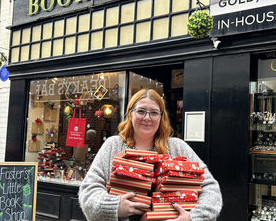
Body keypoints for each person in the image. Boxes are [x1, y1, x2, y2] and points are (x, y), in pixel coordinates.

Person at [78, 89, 222, 221]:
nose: (147, 118)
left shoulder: (177, 147)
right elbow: (88, 192)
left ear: (161, 117)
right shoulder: (113, 145)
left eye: (154, 112)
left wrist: (193, 218)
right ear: (130, 114)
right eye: (141, 111)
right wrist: (114, 206)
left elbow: (211, 188)